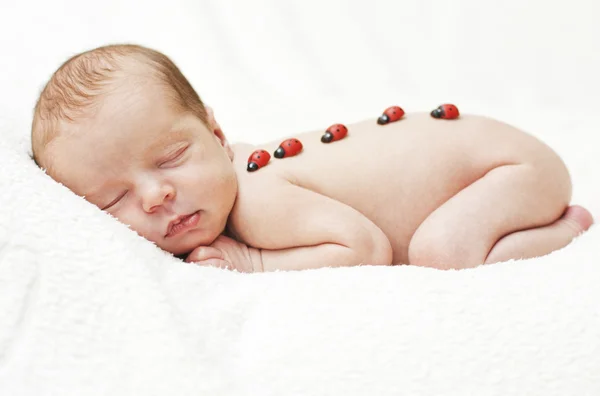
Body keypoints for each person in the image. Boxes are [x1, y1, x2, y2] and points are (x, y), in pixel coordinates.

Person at [30, 44, 594, 272]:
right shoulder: (231, 177)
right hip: (495, 159)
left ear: (216, 134)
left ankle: (564, 228)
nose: (155, 196)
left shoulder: (257, 201)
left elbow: (365, 247)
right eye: (114, 200)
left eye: (173, 157)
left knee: (440, 251)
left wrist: (254, 264)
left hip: (511, 170)